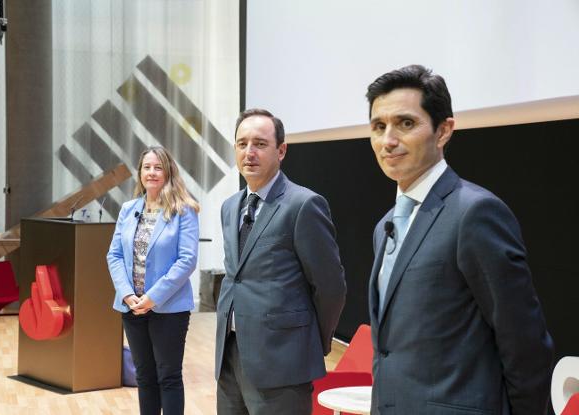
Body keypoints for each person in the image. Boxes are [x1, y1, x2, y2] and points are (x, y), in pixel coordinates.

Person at [366, 65, 554, 414]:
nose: (388, 140)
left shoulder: (475, 212)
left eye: (405, 123)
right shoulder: (385, 226)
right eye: (379, 127)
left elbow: (525, 344)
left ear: (443, 131)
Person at [214, 108, 347, 415]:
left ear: (281, 150)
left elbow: (331, 287)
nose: (249, 152)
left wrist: (311, 341)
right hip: (230, 355)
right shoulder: (230, 206)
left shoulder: (303, 205)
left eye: (260, 144)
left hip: (282, 363)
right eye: (242, 143)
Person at [107, 146, 199, 415]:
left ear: (168, 171)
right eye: (147, 167)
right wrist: (126, 294)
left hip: (168, 309)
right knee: (144, 376)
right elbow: (114, 255)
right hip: (131, 307)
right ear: (140, 173)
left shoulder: (184, 211)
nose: (152, 172)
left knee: (168, 377)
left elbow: (186, 261)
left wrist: (152, 298)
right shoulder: (128, 209)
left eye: (158, 167)